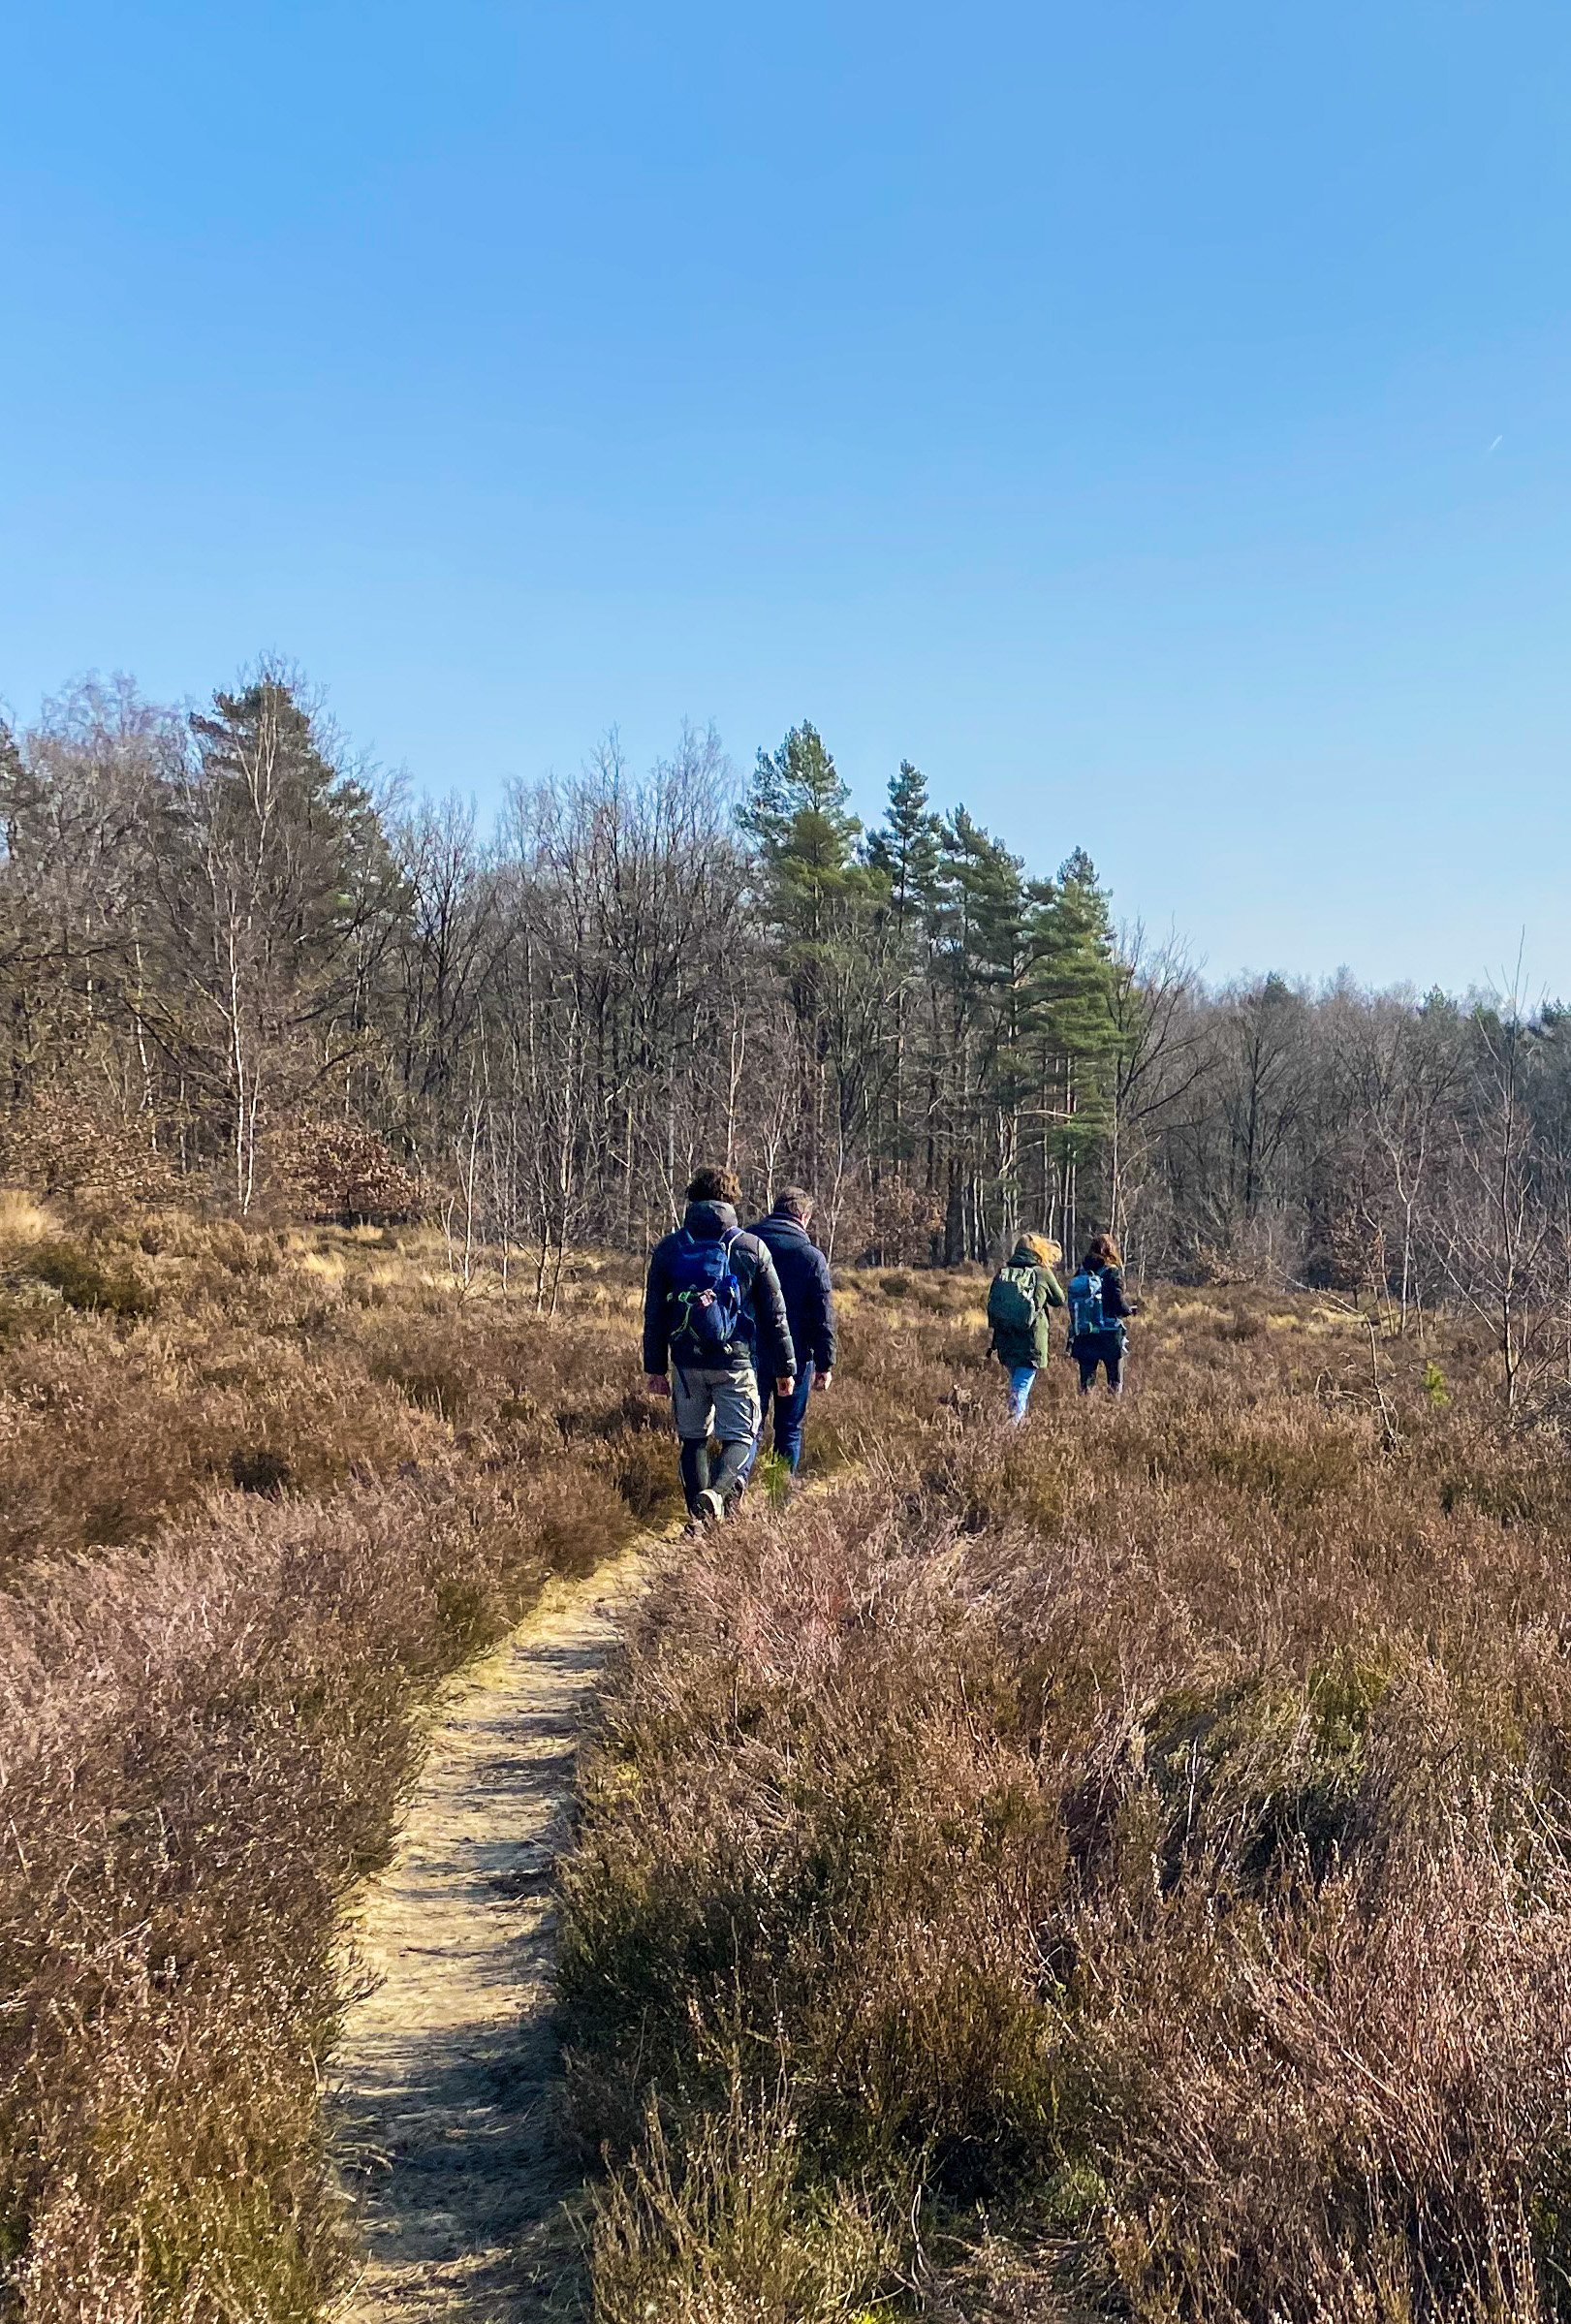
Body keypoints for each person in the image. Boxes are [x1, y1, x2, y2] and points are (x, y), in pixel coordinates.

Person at [644, 1166, 796, 1524]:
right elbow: (776, 1315)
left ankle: (698, 1521)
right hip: (736, 1361)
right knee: (741, 1437)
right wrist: (785, 1368)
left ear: (692, 1198)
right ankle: (717, 1492)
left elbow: (654, 1313)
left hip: (685, 1362)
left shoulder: (669, 1248)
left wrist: (654, 1367)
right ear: (732, 1200)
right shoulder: (751, 1247)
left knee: (693, 1440)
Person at [740, 1185, 837, 1480]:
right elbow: (823, 1315)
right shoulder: (811, 1256)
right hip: (796, 1356)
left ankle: (735, 1490)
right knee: (788, 1430)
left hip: (749, 1352)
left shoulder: (745, 1244)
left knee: (748, 1428)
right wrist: (825, 1363)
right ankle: (777, 1501)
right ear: (804, 1217)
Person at [986, 1233, 1066, 1421]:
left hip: (1005, 1340)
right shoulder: (1041, 1272)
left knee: (1017, 1386)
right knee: (1020, 1389)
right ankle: (1012, 1432)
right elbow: (1059, 1299)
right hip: (1031, 1342)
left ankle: (1015, 1425)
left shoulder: (1004, 1272)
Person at [1067, 1231, 1138, 1397]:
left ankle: (1086, 1413)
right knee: (1114, 1382)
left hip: (1085, 1332)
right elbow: (1118, 1303)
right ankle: (1112, 1413)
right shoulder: (1112, 1272)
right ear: (1110, 1250)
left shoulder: (1082, 1271)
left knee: (1086, 1384)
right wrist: (1129, 1310)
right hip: (1109, 1333)